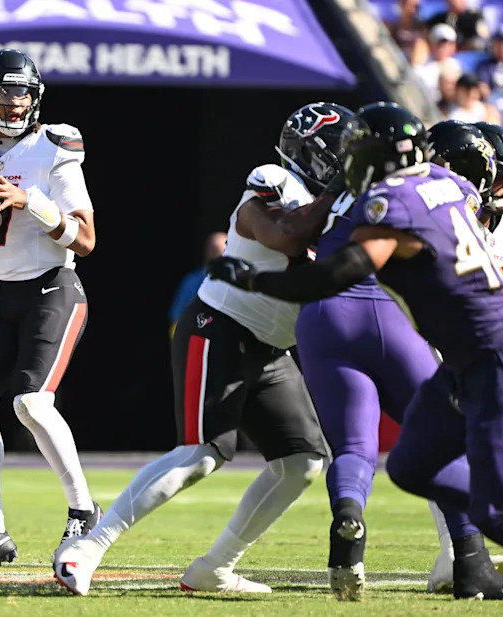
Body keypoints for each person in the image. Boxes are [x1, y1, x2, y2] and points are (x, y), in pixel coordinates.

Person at [206, 101, 503, 599]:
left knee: (480, 495)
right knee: (411, 465)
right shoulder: (453, 184)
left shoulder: (390, 201)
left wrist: (254, 278)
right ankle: (471, 561)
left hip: (483, 352)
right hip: (453, 352)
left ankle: (471, 549)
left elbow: (340, 270)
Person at [54, 103, 340, 597]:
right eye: (342, 154)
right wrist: (342, 195)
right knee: (202, 453)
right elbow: (286, 236)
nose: (349, 162)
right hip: (222, 326)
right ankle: (88, 547)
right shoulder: (276, 182)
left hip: (273, 347)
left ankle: (215, 567)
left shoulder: (347, 204)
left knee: (304, 462)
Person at [293, 118, 495, 601]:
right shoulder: (447, 184)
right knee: (450, 443)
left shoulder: (349, 190)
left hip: (322, 315)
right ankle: (471, 560)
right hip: (392, 313)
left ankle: (348, 518)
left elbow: (293, 237)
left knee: (354, 448)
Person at [0, 48, 100, 574]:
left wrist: (27, 199)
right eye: (5, 91)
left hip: (52, 285)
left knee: (30, 402)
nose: (15, 102)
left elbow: (87, 239)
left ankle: (82, 510)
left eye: (23, 92)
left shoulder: (55, 145)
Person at [168, 232, 226, 336]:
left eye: (221, 251)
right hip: (196, 340)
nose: (217, 256)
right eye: (214, 251)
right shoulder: (192, 282)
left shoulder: (241, 283)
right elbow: (176, 318)